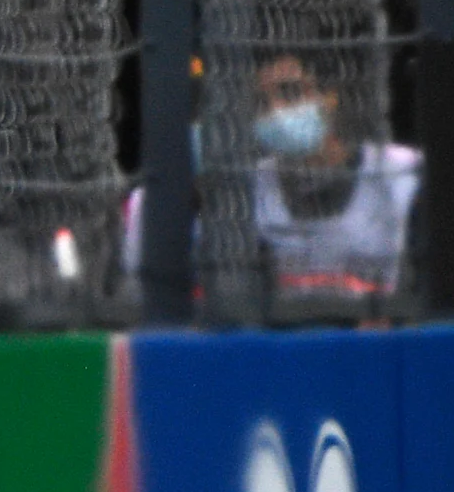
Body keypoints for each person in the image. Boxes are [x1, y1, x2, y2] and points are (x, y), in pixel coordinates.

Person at [123, 50, 423, 305]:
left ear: (330, 95)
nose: (276, 111)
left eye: (290, 92)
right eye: (261, 103)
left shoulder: (401, 176)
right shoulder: (248, 187)